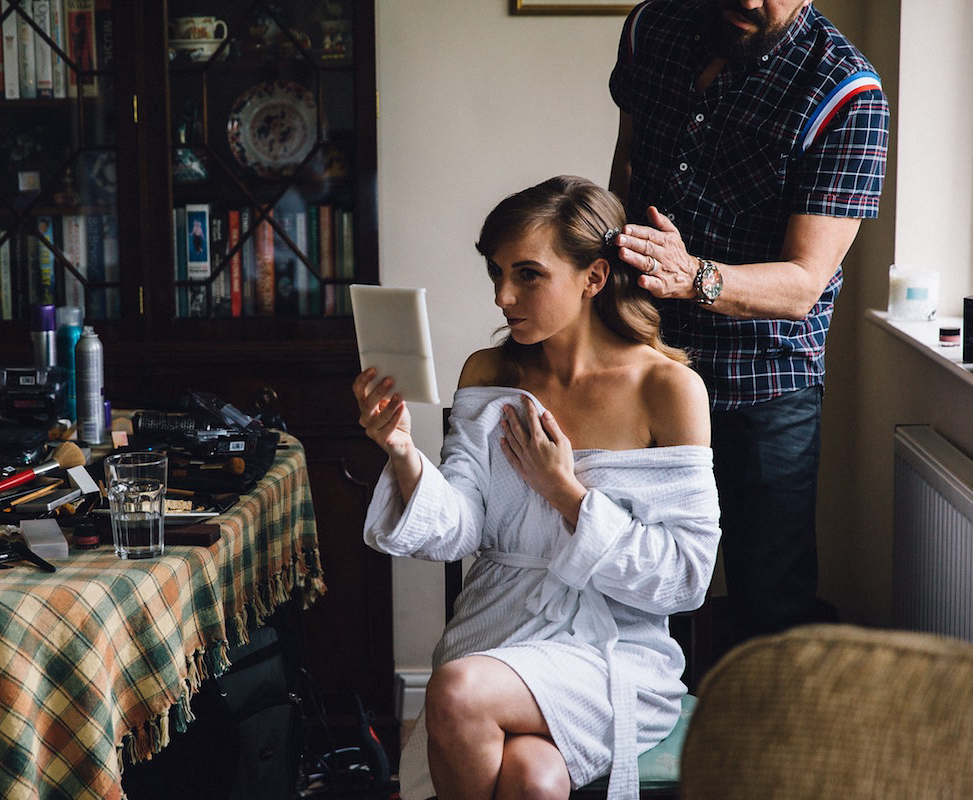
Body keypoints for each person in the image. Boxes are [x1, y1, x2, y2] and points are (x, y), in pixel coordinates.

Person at [353, 176, 721, 800]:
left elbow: (687, 578)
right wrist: (401, 451)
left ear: (595, 277)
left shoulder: (666, 389)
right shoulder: (490, 373)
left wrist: (566, 495)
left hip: (611, 654)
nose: (503, 295)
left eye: (528, 274)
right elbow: (461, 526)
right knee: (533, 775)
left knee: (456, 691)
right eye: (496, 273)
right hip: (498, 630)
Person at [607, 0, 889, 644]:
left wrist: (690, 276)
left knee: (770, 603)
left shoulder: (848, 93)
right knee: (634, 586)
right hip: (642, 357)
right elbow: (627, 168)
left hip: (764, 381)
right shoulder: (651, 27)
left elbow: (802, 284)